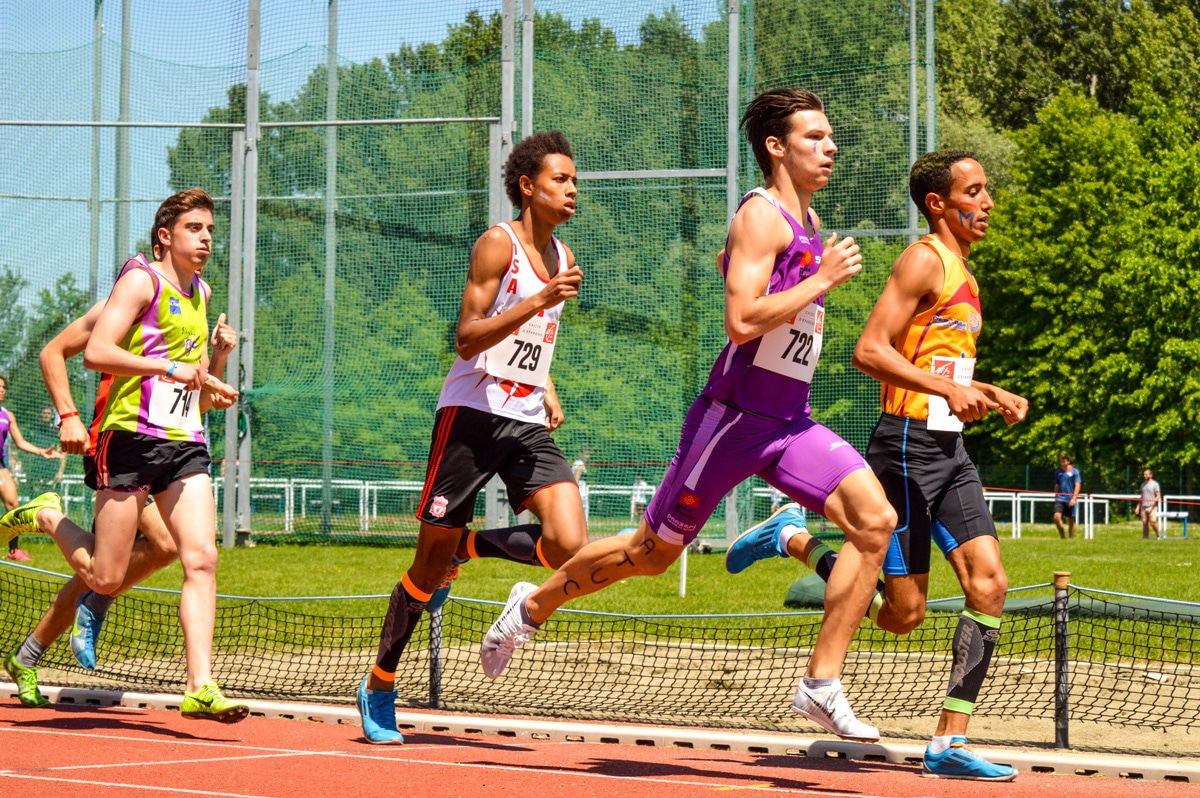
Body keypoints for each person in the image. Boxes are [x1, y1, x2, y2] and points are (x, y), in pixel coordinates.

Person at [480, 88, 895, 743]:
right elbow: (739, 322)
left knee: (876, 522)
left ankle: (820, 685)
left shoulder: (811, 225)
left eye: (830, 136)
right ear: (776, 147)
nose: (831, 147)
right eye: (815, 137)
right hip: (730, 423)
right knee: (648, 554)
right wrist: (820, 284)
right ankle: (531, 606)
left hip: (790, 423)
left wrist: (810, 290)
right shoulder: (761, 219)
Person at [736, 150, 1026, 780]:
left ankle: (948, 744)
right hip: (904, 447)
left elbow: (941, 365)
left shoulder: (966, 275)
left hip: (950, 450)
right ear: (938, 204)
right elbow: (869, 351)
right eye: (975, 192)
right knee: (902, 614)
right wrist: (945, 391)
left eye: (987, 191)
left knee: (990, 584)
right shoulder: (923, 259)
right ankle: (793, 538)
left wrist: (986, 392)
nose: (988, 203)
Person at [356, 131, 589, 745]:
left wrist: (548, 385)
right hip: (471, 414)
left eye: (573, 179)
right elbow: (467, 337)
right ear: (527, 187)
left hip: (526, 416)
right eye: (560, 179)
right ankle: (380, 683)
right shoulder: (497, 245)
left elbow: (534, 337)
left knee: (569, 540)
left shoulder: (563, 257)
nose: (572, 188)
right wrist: (538, 298)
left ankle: (471, 549)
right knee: (426, 566)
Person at [5, 189, 244, 722]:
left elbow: (198, 389)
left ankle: (200, 684)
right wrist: (70, 414)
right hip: (128, 439)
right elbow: (89, 353)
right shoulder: (138, 281)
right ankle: (47, 515)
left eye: (210, 230)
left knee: (199, 557)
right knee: (106, 575)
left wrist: (218, 367)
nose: (207, 238)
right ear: (165, 236)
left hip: (184, 442)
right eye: (195, 229)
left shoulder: (201, 294)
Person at [0, 375, 60, 561]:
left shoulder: (7, 415)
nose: (2, 390)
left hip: (0, 465)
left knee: (13, 504)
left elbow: (20, 442)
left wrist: (42, 452)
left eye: (3, 387)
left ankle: (13, 551)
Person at [1052, 454, 1081, 539]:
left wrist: (1074, 498)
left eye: (1064, 461)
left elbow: (1078, 485)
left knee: (1070, 519)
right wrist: (1056, 496)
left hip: (1070, 499)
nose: (1063, 463)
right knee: (1056, 517)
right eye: (1061, 461)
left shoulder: (1074, 471)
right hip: (1060, 498)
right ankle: (1063, 537)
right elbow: (1057, 485)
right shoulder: (1058, 472)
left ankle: (1071, 539)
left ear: (1068, 461)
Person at [1139, 469, 1162, 540]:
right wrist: (1138, 507)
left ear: (1150, 475)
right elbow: (1141, 497)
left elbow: (1158, 496)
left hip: (1152, 507)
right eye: (1144, 474)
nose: (1145, 475)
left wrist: (1154, 501)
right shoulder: (1142, 485)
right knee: (1145, 523)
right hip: (1143, 506)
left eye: (1146, 474)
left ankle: (1158, 535)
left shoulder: (1155, 484)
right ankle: (1146, 538)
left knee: (1152, 523)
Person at [573, 447, 590, 521]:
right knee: (582, 513)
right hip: (580, 493)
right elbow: (577, 476)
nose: (588, 456)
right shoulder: (580, 464)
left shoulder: (577, 463)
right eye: (586, 454)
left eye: (588, 454)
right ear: (581, 454)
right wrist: (576, 490)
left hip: (581, 492)